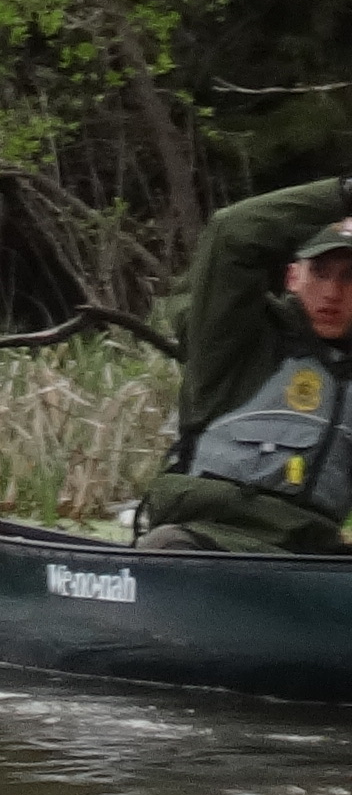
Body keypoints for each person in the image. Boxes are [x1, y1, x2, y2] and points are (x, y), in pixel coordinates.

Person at [141, 177, 352, 551]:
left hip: (311, 558)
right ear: (292, 277)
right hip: (209, 538)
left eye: (350, 278)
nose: (332, 293)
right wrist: (344, 193)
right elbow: (232, 233)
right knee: (170, 546)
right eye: (319, 273)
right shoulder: (234, 339)